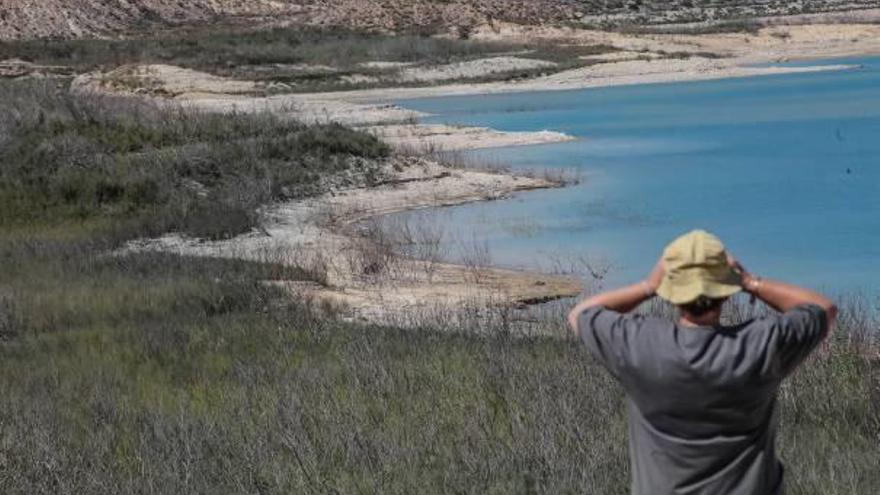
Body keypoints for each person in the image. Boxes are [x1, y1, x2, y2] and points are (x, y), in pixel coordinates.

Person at [567, 230, 837, 495]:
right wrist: (751, 282)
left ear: (671, 290)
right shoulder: (760, 344)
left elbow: (581, 314)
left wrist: (648, 286)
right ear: (726, 291)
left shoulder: (641, 345)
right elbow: (824, 309)